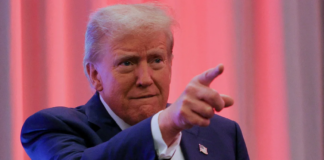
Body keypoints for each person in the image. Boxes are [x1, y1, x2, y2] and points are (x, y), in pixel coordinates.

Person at [21, 3, 249, 160]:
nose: (145, 79)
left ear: (171, 62)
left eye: (156, 60)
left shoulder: (222, 134)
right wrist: (164, 125)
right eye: (127, 63)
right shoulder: (50, 127)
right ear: (95, 75)